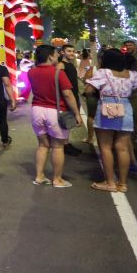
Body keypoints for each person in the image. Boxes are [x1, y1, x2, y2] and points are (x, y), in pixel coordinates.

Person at [86, 48, 137, 193]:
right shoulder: (132, 74)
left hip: (107, 109)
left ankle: (110, 182)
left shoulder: (103, 73)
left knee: (106, 147)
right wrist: (131, 94)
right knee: (122, 147)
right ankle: (122, 184)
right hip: (125, 108)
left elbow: (88, 90)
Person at [28, 44, 82, 188]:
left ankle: (39, 176)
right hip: (55, 112)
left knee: (42, 145)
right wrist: (77, 114)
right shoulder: (57, 73)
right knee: (58, 147)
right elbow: (68, 94)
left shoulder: (31, 72)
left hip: (36, 110)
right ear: (50, 56)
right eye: (56, 54)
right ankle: (57, 179)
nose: (58, 56)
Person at [58, 44, 83, 156]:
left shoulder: (70, 65)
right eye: (69, 51)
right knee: (66, 121)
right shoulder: (61, 65)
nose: (72, 53)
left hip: (74, 96)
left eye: (73, 51)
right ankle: (64, 145)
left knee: (69, 122)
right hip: (67, 98)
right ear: (62, 52)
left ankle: (66, 144)